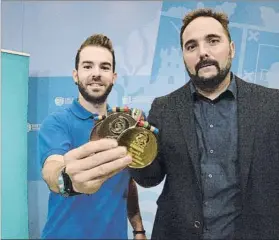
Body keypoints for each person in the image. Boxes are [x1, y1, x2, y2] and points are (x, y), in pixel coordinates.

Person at [130, 8, 279, 240]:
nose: (203, 52)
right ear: (183, 56)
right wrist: (136, 148)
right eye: (191, 46)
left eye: (213, 41)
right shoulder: (164, 107)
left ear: (231, 49)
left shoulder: (272, 104)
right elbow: (150, 178)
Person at [39, 34, 146, 239]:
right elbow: (52, 169)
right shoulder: (56, 123)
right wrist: (66, 180)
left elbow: (127, 182)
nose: (96, 73)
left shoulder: (126, 125)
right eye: (88, 66)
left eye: (104, 67)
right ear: (75, 75)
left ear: (113, 77)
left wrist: (138, 228)